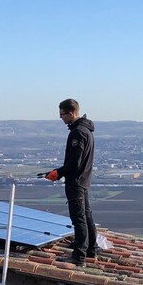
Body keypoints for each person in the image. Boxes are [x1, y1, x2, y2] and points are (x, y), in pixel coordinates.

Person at [44, 98, 97, 265]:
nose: (61, 118)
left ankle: (79, 255)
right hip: (83, 180)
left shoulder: (78, 133)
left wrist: (58, 172)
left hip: (76, 182)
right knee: (86, 216)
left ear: (72, 112)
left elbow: (75, 163)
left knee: (78, 218)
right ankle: (91, 249)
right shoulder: (85, 130)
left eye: (62, 115)